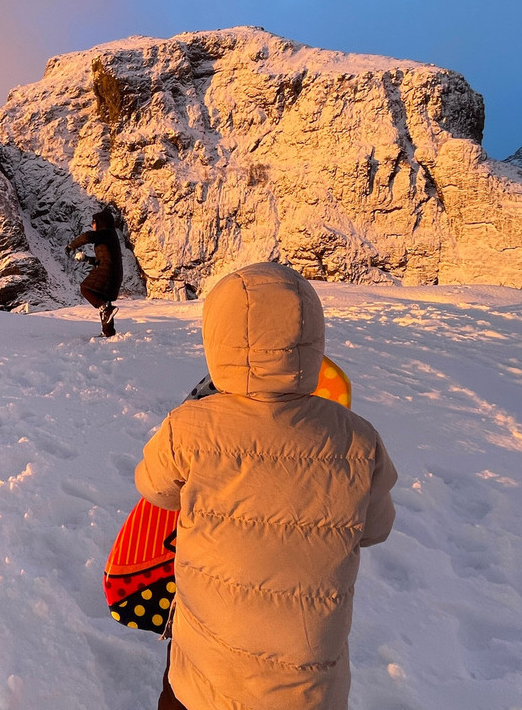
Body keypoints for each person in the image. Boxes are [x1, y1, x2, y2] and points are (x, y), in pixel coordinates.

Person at [135, 262, 397, 710]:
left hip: (206, 679)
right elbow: (375, 528)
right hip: (309, 690)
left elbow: (153, 487)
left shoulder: (191, 426)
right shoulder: (358, 439)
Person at [65, 208, 123, 336]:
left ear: (101, 222)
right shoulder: (109, 236)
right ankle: (108, 332)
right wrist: (86, 259)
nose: (92, 224)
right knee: (104, 300)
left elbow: (88, 236)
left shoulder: (106, 233)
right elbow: (103, 258)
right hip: (113, 272)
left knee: (85, 289)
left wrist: (72, 246)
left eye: (94, 221)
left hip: (108, 271)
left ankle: (106, 310)